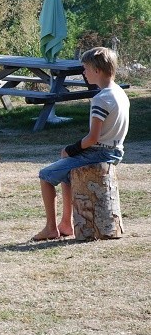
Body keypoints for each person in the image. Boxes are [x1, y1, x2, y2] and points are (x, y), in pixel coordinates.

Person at [32, 47, 130, 241]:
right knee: (67, 170)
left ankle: (51, 228)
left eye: (85, 68)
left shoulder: (101, 99)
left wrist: (71, 148)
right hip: (116, 151)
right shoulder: (119, 92)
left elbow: (93, 138)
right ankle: (66, 224)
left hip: (99, 153)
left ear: (97, 70)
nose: (84, 73)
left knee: (46, 175)